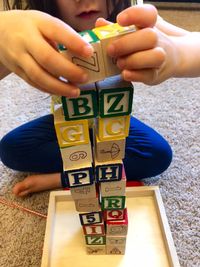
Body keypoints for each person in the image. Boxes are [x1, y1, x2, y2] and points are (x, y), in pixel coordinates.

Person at [0, 1, 175, 197]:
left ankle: (66, 176)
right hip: (70, 122)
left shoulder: (133, 23)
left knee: (157, 154)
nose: (82, 0)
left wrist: (172, 53)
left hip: (112, 122)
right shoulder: (40, 37)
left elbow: (180, 41)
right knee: (10, 149)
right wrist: (4, 29)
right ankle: (86, 167)